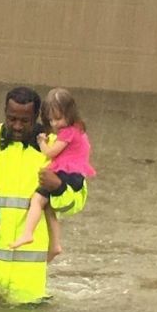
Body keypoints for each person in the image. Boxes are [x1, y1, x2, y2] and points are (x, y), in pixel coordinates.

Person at [0, 86, 87, 303]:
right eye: (12, 118)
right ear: (4, 111)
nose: (17, 126)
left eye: (25, 121)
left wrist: (58, 187)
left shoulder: (56, 147)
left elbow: (76, 202)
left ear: (38, 116)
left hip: (27, 286)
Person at [10, 87, 95, 259]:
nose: (55, 124)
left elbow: (49, 153)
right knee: (48, 206)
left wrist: (41, 141)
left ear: (70, 113)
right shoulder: (78, 129)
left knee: (37, 200)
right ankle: (55, 244)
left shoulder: (68, 132)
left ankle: (28, 232)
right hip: (75, 172)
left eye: (58, 118)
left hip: (68, 173)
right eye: (51, 119)